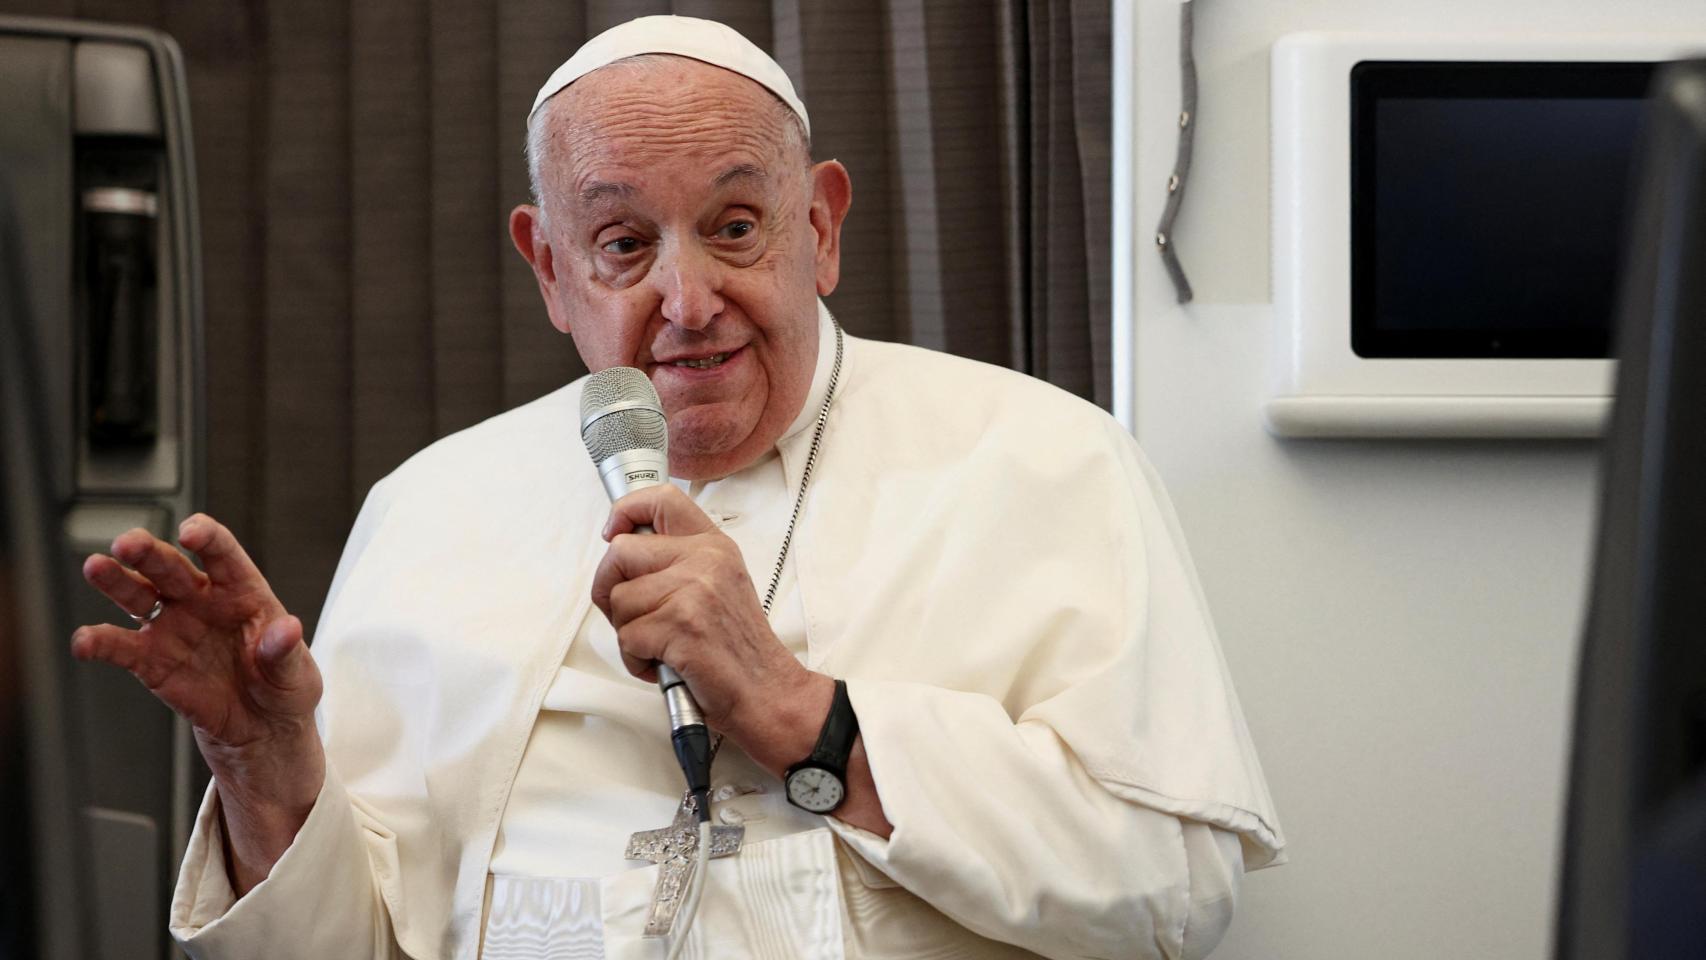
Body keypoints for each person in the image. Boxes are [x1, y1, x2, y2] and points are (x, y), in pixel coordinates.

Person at [72, 15, 1283, 959]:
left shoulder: (1045, 457)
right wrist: (264, 769)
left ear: (822, 223)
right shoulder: (428, 506)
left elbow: (1172, 892)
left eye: (738, 226)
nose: (688, 300)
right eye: (622, 245)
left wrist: (804, 715)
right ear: (548, 269)